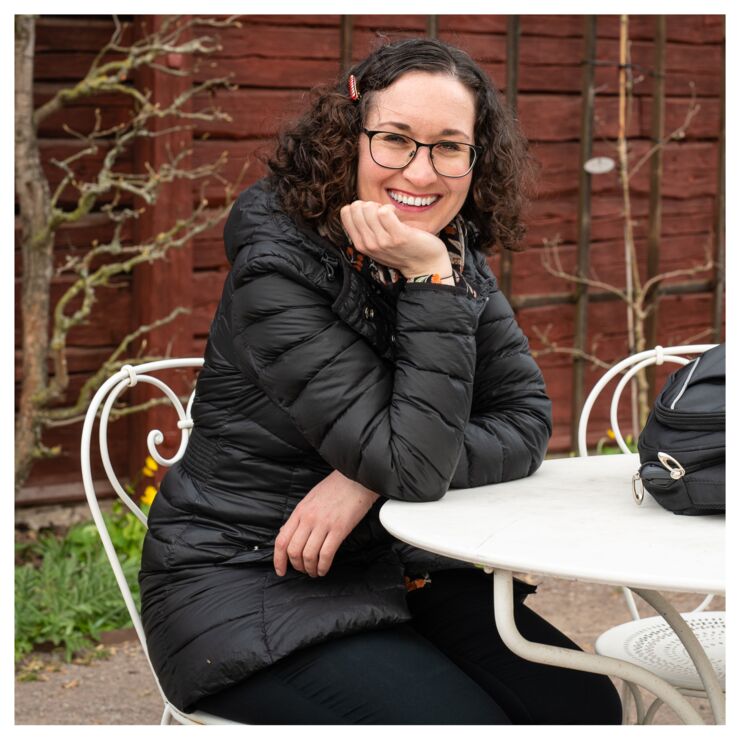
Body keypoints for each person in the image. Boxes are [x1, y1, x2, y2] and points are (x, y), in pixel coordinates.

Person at [139, 38, 622, 725]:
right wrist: (429, 286)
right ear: (349, 134)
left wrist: (363, 481)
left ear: (476, 156)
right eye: (395, 139)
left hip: (398, 563)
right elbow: (412, 462)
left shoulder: (450, 252)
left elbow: (524, 422)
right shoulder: (278, 268)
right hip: (250, 577)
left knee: (584, 708)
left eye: (449, 146)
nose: (422, 173)